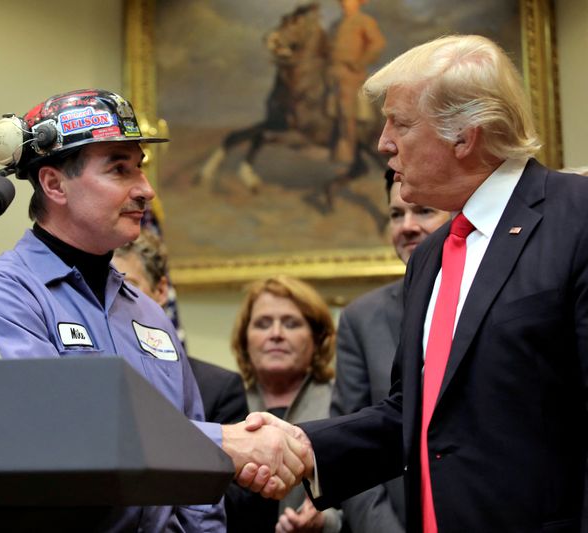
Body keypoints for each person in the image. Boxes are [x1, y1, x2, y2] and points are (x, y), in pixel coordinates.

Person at [245, 34, 588, 532]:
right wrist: (301, 446)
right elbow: (414, 412)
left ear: (464, 136)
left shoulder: (577, 217)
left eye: (400, 123)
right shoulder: (432, 254)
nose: (383, 142)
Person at [0, 89, 312, 531]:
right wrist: (224, 442)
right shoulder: (2, 297)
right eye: (119, 169)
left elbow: (196, 491)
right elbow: (49, 437)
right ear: (54, 184)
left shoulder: (149, 315)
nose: (146, 190)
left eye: (140, 168)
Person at [330, 168, 450, 533]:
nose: (407, 226)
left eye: (424, 211)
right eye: (396, 214)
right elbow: (351, 452)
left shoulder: (492, 299)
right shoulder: (361, 320)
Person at [232, 275, 342, 533]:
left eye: (291, 324)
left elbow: (365, 498)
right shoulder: (225, 402)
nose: (276, 334)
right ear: (245, 339)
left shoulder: (342, 401)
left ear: (317, 339)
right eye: (263, 324)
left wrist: (325, 521)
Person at [113, 229, 249, 425]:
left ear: (160, 291)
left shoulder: (218, 389)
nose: (110, 299)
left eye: (126, 286)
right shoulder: (84, 375)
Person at [329, 0, 385, 167]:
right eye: (344, 1)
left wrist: (360, 62)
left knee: (346, 103)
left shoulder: (364, 21)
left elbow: (378, 43)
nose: (346, 3)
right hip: (331, 70)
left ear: (359, 3)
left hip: (351, 73)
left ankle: (347, 147)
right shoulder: (336, 24)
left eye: (350, 0)